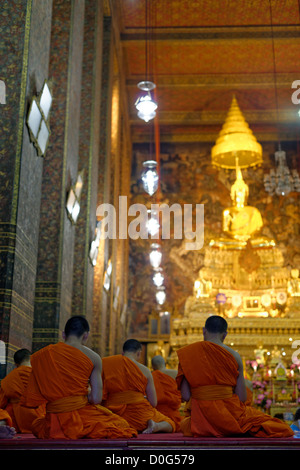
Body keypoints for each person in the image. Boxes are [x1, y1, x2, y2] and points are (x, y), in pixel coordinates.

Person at [176, 315, 294, 438]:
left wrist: (204, 395)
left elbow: (185, 395)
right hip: (228, 417)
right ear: (225, 334)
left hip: (199, 421)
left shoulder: (188, 354)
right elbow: (242, 397)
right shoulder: (234, 356)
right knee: (276, 426)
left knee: (184, 424)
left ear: (203, 330)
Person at [23, 316, 137, 439]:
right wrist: (80, 395)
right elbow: (96, 399)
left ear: (63, 334)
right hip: (81, 415)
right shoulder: (94, 358)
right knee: (121, 425)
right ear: (86, 335)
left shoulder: (44, 355)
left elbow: (34, 399)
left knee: (37, 425)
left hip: (53, 419)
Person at [101, 339, 176, 433]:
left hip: (113, 414)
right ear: (139, 353)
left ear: (122, 352)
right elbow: (153, 402)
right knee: (170, 423)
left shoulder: (106, 363)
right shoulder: (145, 371)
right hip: (140, 415)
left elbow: (100, 393)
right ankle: (156, 426)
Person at [0, 349, 45, 433]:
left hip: (16, 422)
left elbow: (1, 402)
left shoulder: (8, 378)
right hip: (39, 417)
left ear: (16, 364)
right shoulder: (41, 375)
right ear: (31, 359)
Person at [151, 355, 183, 432]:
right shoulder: (176, 374)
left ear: (152, 367)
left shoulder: (150, 376)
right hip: (174, 415)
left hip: (157, 417)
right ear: (165, 363)